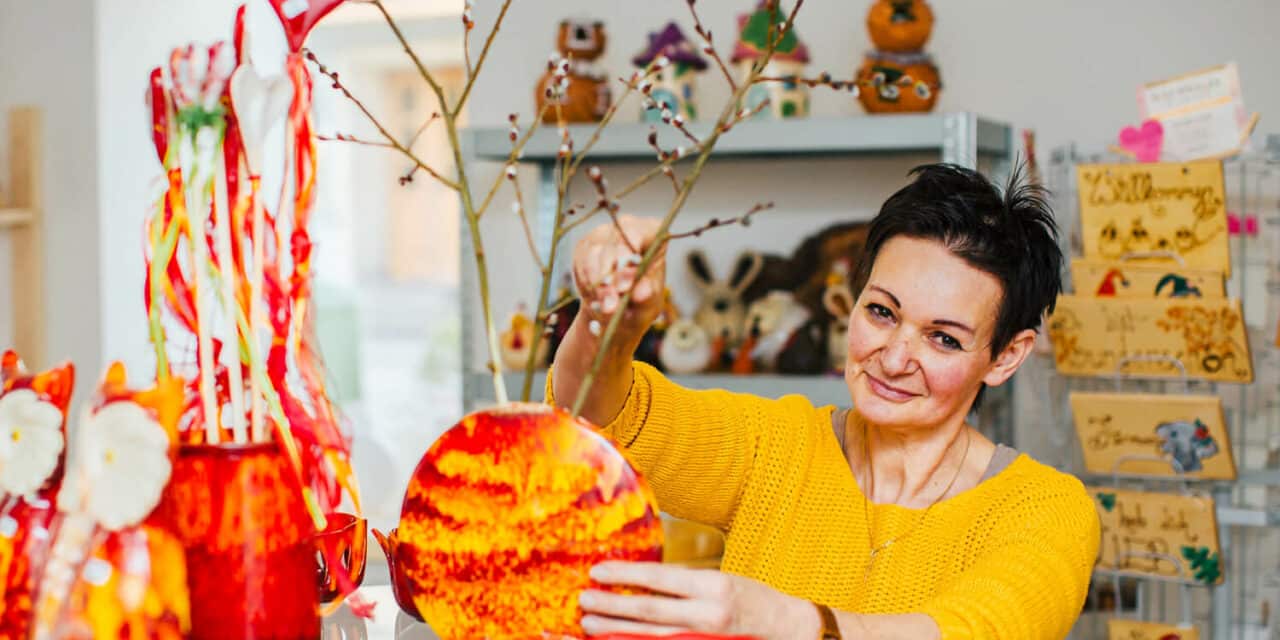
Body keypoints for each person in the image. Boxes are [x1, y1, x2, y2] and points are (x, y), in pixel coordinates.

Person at [550, 163, 1100, 639]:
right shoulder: (778, 446)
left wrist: (791, 624)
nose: (893, 357)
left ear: (1005, 356)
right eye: (882, 312)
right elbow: (602, 421)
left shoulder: (1044, 509)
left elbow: (979, 629)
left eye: (943, 338)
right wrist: (609, 326)